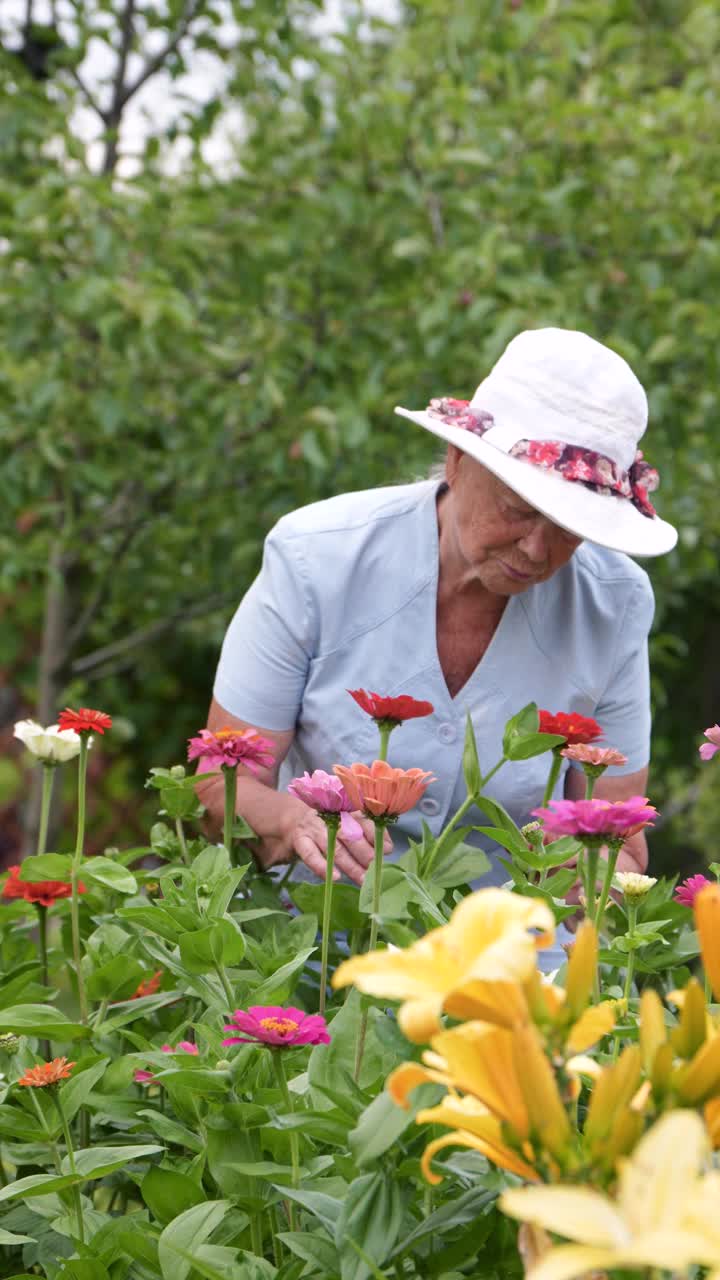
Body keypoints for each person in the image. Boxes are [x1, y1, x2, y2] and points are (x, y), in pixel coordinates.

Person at [196, 327, 677, 905]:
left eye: (569, 530)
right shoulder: (315, 559)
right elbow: (220, 786)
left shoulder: (615, 604)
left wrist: (593, 882)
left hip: (509, 954)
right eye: (518, 511)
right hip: (317, 932)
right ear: (455, 460)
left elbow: (618, 839)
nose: (536, 550)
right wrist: (292, 820)